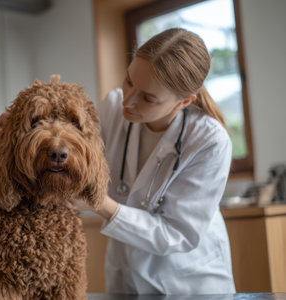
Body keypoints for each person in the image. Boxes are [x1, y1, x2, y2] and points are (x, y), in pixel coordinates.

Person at [80, 28, 236, 294]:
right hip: (126, 277)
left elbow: (177, 233)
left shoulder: (210, 141)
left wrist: (102, 204)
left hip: (189, 283)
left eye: (148, 98)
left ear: (183, 101)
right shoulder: (112, 109)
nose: (128, 101)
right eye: (128, 81)